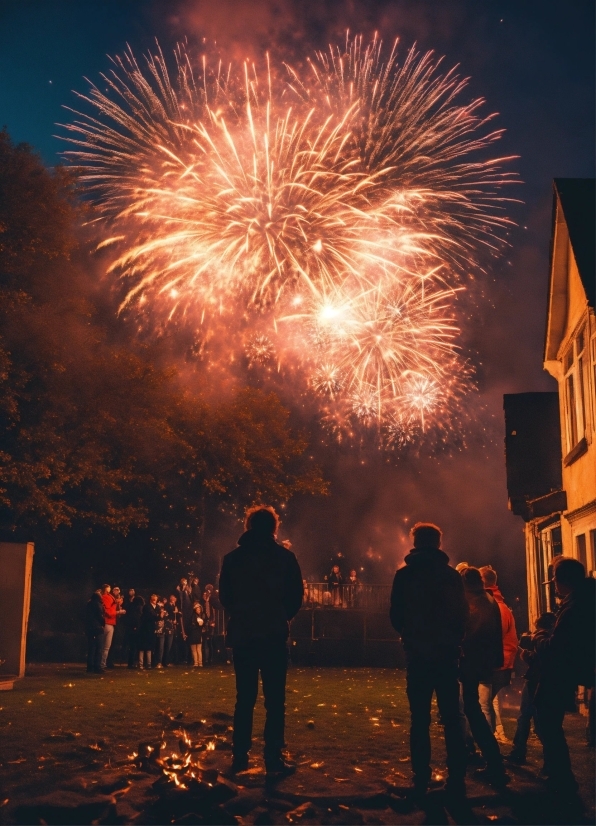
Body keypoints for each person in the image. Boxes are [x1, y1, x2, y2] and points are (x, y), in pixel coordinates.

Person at [219, 505, 303, 777]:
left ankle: (240, 756)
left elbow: (225, 597)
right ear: (274, 528)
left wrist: (242, 615)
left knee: (244, 698)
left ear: (249, 526)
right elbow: (295, 596)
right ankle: (273, 758)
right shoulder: (285, 558)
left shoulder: (232, 559)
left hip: (244, 634)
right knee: (275, 700)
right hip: (273, 634)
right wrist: (280, 616)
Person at [390, 522, 469, 800]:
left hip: (419, 655)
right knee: (451, 718)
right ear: (437, 543)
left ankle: (420, 778)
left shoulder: (404, 575)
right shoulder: (451, 577)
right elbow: (462, 615)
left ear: (415, 543)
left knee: (419, 719)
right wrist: (452, 640)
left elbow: (395, 615)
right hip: (446, 655)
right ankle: (457, 778)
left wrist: (411, 636)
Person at [532, 557, 595, 805]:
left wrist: (538, 638)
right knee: (549, 724)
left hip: (559, 673)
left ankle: (562, 780)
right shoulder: (585, 599)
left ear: (562, 581)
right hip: (569, 672)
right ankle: (557, 776)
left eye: (555, 580)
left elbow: (555, 648)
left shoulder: (574, 606)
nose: (554, 586)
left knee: (548, 725)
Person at [459, 567, 509, 788]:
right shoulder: (488, 598)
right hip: (484, 662)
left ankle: (492, 762)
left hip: (470, 662)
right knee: (473, 708)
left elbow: (467, 632)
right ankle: (491, 760)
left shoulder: (470, 601)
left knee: (472, 709)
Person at [507, 611, 556, 765]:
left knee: (529, 718)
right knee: (538, 720)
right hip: (544, 681)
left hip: (536, 681)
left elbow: (538, 659)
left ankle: (521, 752)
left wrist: (525, 654)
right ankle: (549, 760)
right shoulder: (554, 638)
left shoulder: (543, 638)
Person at [479, 566, 518, 744]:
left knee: (484, 705)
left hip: (496, 664)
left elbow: (494, 635)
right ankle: (490, 742)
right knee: (487, 704)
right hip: (501, 663)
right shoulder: (499, 604)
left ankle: (487, 748)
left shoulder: (494, 606)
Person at [106, 585, 126, 668]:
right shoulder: (111, 599)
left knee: (113, 643)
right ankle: (107, 661)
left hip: (117, 622)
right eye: (115, 590)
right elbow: (111, 611)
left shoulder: (118, 600)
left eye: (118, 590)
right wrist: (119, 611)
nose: (117, 592)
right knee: (108, 644)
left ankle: (110, 661)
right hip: (111, 621)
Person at [139, 593, 161, 669]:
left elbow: (158, 617)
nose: (155, 601)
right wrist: (158, 616)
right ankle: (141, 663)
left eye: (156, 599)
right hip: (145, 628)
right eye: (154, 599)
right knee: (143, 646)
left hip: (152, 628)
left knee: (150, 646)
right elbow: (152, 615)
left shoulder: (157, 607)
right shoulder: (147, 607)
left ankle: (149, 663)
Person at [85, 590, 105, 674]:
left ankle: (90, 667)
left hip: (89, 628)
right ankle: (97, 667)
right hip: (97, 628)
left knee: (91, 648)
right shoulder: (98, 605)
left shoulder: (88, 605)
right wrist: (102, 623)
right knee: (99, 648)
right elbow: (100, 616)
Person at [100, 584, 117, 671]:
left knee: (105, 646)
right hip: (108, 622)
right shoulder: (106, 597)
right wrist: (118, 612)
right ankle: (101, 664)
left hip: (109, 623)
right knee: (105, 646)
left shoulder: (108, 597)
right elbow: (109, 612)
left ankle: (102, 663)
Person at [163, 594, 180, 666]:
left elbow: (177, 615)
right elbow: (168, 614)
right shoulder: (168, 605)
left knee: (174, 644)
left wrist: (177, 613)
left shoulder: (175, 606)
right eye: (173, 598)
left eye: (175, 598)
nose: (174, 599)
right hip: (169, 626)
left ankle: (174, 660)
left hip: (174, 627)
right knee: (168, 644)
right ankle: (165, 661)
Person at [188, 601, 205, 667]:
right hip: (195, 634)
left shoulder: (198, 617)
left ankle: (198, 662)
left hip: (196, 634)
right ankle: (197, 662)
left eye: (199, 609)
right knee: (196, 649)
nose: (199, 610)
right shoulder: (196, 616)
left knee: (197, 649)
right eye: (198, 609)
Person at [202, 589, 216, 666]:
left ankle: (210, 659)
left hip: (210, 625)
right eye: (204, 595)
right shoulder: (202, 604)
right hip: (205, 625)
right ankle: (206, 659)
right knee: (205, 643)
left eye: (206, 595)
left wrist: (213, 622)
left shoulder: (211, 604)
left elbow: (213, 614)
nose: (205, 597)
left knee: (210, 643)